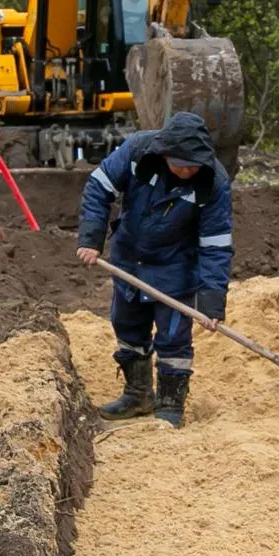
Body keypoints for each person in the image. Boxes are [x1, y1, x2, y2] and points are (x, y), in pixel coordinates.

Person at [76, 111, 233, 427]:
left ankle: (170, 407)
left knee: (174, 336)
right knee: (126, 324)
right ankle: (138, 395)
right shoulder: (137, 151)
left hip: (176, 267)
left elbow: (215, 245)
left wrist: (213, 302)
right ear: (164, 154)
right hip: (129, 257)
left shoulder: (213, 182)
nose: (188, 170)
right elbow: (98, 188)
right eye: (180, 164)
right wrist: (91, 238)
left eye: (194, 165)